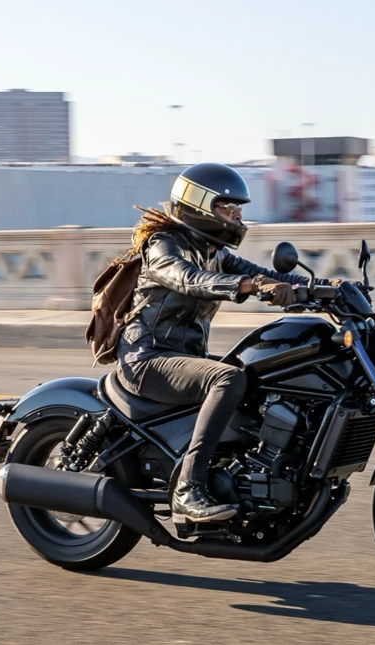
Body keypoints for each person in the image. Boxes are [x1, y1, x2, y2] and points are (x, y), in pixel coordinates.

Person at [117, 163, 334, 523]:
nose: (235, 216)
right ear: (198, 205)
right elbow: (188, 279)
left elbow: (266, 275)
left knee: (261, 375)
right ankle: (189, 489)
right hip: (147, 358)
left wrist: (327, 287)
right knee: (227, 379)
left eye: (238, 209)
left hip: (185, 357)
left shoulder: (215, 250)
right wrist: (247, 287)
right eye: (226, 207)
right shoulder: (162, 245)